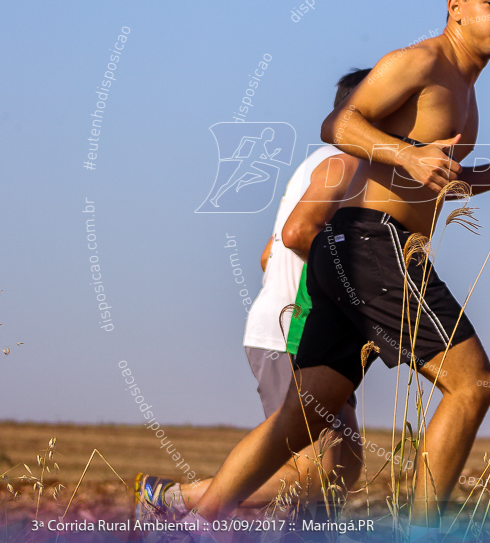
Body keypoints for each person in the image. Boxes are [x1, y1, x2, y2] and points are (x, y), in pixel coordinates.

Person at [185, 0, 490, 536]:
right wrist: (404, 152)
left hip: (357, 251)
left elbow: (440, 183)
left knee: (301, 421)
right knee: (474, 384)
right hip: (373, 244)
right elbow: (339, 123)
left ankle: (189, 523)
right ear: (456, 8)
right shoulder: (421, 62)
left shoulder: (465, 91)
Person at [135, 69, 370, 519]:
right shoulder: (344, 163)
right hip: (293, 333)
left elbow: (269, 253)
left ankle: (176, 502)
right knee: (315, 473)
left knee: (342, 470)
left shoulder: (322, 165)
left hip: (299, 332)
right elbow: (298, 233)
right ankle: (171, 501)